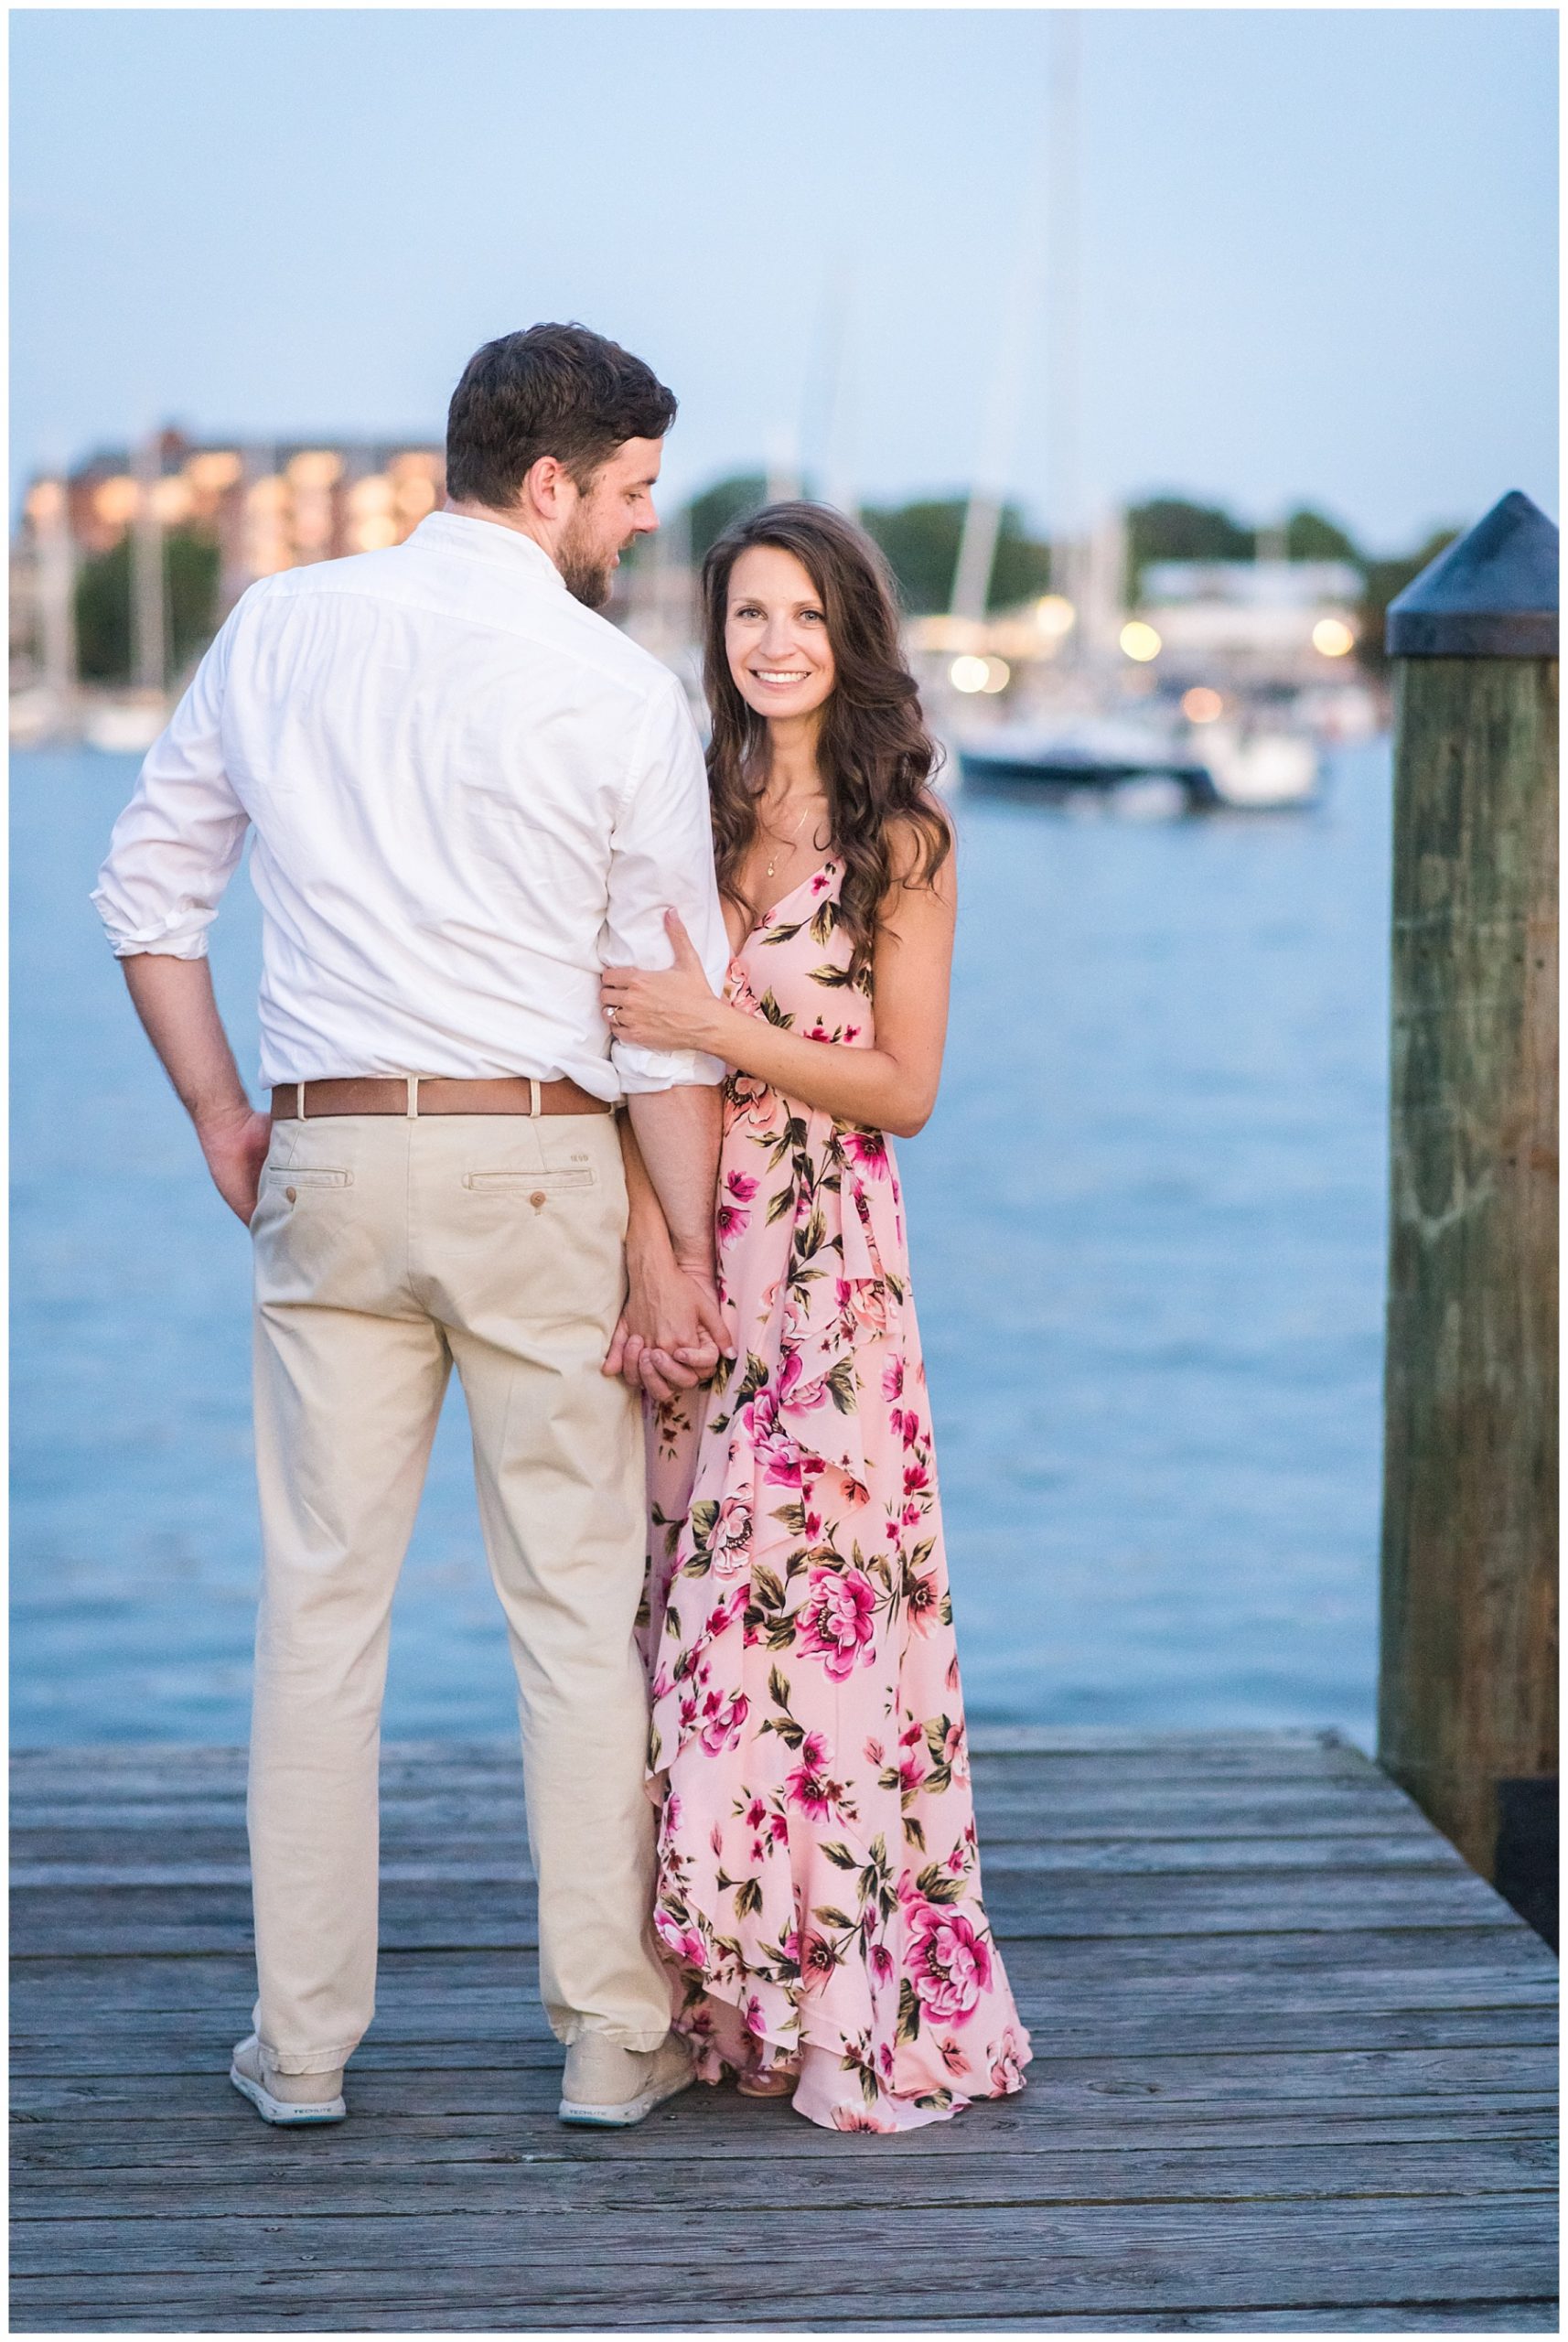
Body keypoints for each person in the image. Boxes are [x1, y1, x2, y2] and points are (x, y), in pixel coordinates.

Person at [91, 323, 735, 2132]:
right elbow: (656, 1012)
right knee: (568, 1610)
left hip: (330, 1155)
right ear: (549, 483)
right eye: (623, 495)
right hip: (538, 1164)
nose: (630, 530)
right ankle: (609, 2036)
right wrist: (675, 1246)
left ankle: (299, 2046)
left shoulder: (281, 625)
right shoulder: (614, 688)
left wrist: (222, 1112)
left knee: (318, 1610)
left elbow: (148, 896)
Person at [598, 503, 1032, 2131]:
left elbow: (901, 1090)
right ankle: (736, 2002)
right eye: (745, 616)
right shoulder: (688, 819)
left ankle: (846, 1987)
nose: (771, 642)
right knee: (684, 1629)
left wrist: (722, 1016)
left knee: (807, 1633)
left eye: (801, 615)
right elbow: (629, 1069)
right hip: (694, 1264)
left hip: (831, 1276)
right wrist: (653, 1248)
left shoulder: (903, 840)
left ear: (851, 633)